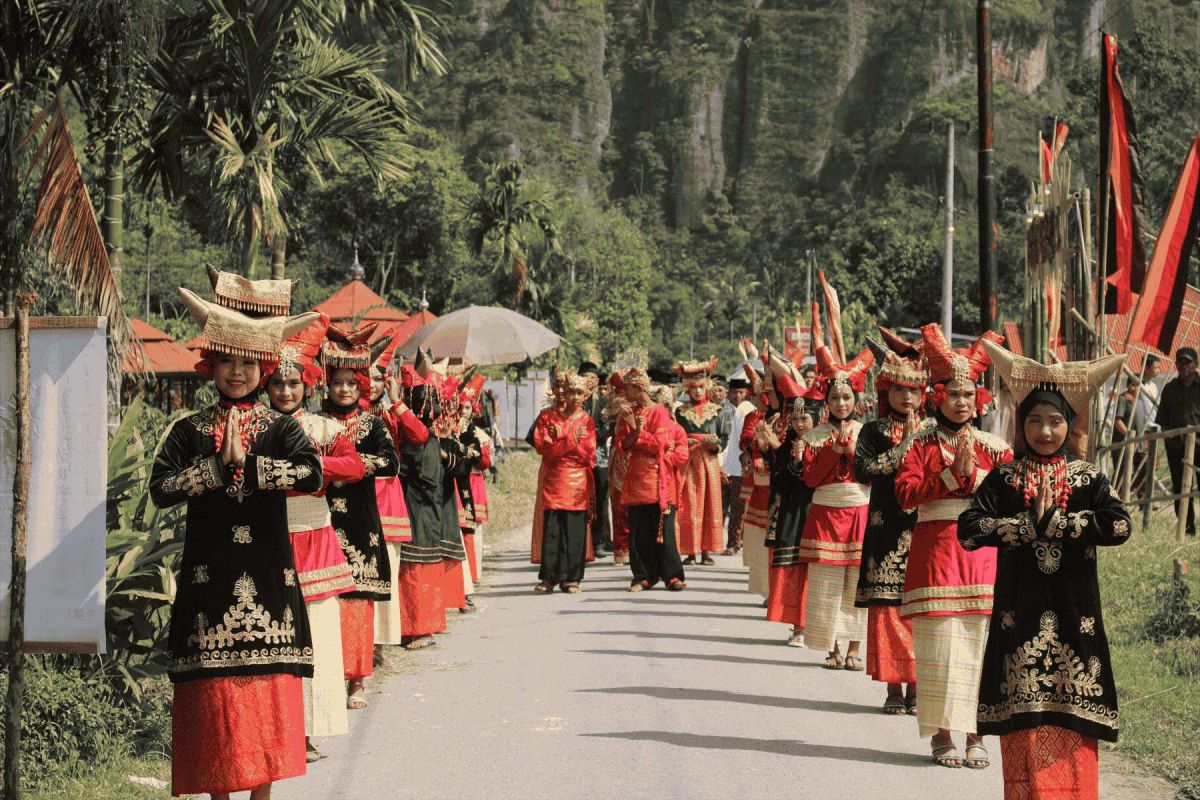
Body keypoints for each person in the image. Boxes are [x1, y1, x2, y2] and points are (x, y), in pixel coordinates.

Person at [152, 287, 322, 799]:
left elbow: (312, 475)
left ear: (265, 368)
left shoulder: (281, 427)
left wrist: (251, 467)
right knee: (214, 696)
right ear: (211, 363)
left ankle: (262, 795)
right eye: (227, 359)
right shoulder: (190, 429)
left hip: (268, 575)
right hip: (209, 575)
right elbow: (161, 488)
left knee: (266, 689)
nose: (237, 372)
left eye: (248, 363)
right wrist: (210, 470)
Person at [960, 342, 1130, 800]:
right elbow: (969, 528)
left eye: (1054, 420)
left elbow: (1119, 524)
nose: (1045, 430)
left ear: (1069, 424)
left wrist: (1061, 523)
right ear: (1021, 424)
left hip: (1075, 612)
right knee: (1025, 712)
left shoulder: (1089, 477)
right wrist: (1017, 526)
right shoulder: (1006, 477)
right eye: (1034, 420)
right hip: (1020, 608)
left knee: (1072, 710)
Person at [894, 324, 1011, 770]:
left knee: (981, 650)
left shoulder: (994, 448)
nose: (962, 401)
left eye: (969, 394)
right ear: (937, 396)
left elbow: (1007, 500)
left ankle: (977, 735)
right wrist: (946, 477)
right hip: (935, 558)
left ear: (978, 399)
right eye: (954, 394)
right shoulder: (919, 443)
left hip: (981, 560)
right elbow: (905, 496)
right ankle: (942, 736)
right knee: (939, 652)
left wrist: (975, 478)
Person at [266, 314, 363, 762]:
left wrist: (314, 471)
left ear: (307, 385)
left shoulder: (325, 428)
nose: (286, 391)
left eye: (293, 383)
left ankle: (308, 731)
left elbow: (356, 466)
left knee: (319, 636)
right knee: (275, 638)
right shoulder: (256, 428)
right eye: (277, 383)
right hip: (267, 541)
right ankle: (277, 731)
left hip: (315, 540)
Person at [319, 324, 400, 709]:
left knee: (358, 601)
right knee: (328, 601)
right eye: (338, 382)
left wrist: (346, 465)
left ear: (362, 385)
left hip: (361, 523)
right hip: (324, 521)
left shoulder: (371, 424)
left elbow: (390, 462)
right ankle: (330, 675)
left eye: (352, 382)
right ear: (327, 384)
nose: (345, 389)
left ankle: (357, 679)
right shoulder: (315, 422)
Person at [855, 330, 928, 714]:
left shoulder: (935, 430)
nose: (907, 398)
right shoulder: (872, 431)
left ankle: (918, 686)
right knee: (887, 607)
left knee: (918, 609)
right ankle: (893, 689)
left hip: (924, 530)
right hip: (886, 529)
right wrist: (903, 447)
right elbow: (863, 471)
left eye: (913, 392)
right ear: (887, 391)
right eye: (899, 390)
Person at [798, 346, 875, 670]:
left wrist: (852, 450)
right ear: (826, 403)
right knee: (826, 583)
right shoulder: (814, 435)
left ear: (855, 401)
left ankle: (855, 648)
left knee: (858, 583)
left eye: (846, 397)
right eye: (835, 399)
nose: (841, 403)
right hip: (826, 513)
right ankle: (833, 647)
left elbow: (872, 475)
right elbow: (810, 477)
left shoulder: (868, 434)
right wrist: (834, 450)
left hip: (858, 510)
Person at [615, 368, 690, 591]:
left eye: (627, 387)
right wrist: (634, 432)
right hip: (636, 478)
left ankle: (672, 576)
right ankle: (643, 576)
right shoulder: (626, 413)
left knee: (663, 531)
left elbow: (659, 444)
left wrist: (639, 432)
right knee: (639, 533)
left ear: (638, 388)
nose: (624, 392)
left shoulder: (658, 412)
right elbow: (623, 446)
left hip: (659, 479)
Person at [394, 361, 447, 651]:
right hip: (424, 505)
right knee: (419, 565)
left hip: (417, 505)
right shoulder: (427, 436)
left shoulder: (420, 437)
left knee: (415, 565)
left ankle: (420, 628)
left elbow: (419, 473)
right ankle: (419, 627)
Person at [532, 370, 597, 592]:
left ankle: (572, 578)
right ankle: (548, 578)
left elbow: (587, 453)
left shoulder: (587, 421)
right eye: (571, 392)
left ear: (585, 396)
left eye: (579, 393)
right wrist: (571, 440)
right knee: (552, 531)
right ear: (564, 394)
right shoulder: (547, 418)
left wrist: (561, 438)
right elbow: (545, 450)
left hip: (577, 482)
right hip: (554, 479)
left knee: (575, 531)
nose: (575, 397)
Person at [766, 394, 818, 646]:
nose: (799, 424)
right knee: (797, 569)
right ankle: (799, 626)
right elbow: (778, 483)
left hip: (819, 512)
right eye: (794, 419)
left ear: (816, 418)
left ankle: (817, 626)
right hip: (794, 513)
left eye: (805, 418)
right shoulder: (786, 447)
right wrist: (795, 462)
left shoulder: (826, 444)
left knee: (816, 570)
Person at [674, 357, 730, 565]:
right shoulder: (680, 412)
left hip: (709, 460)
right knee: (690, 502)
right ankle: (690, 551)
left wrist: (716, 446)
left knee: (710, 502)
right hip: (689, 460)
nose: (697, 392)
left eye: (701, 387)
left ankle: (706, 551)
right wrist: (685, 441)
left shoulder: (718, 411)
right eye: (693, 388)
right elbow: (676, 435)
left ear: (707, 387)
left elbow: (724, 436)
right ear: (687, 389)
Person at [1155, 346, 1200, 536]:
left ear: (1196, 364)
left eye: (1188, 362)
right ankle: (1187, 529)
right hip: (1176, 446)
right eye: (1181, 362)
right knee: (1181, 489)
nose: (1184, 366)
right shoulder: (1169, 388)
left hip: (1199, 444)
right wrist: (1169, 435)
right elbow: (1163, 420)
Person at [580, 361, 613, 555]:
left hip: (598, 455)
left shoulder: (602, 403)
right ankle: (582, 541)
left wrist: (589, 437)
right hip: (577, 456)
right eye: (585, 377)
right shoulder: (572, 401)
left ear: (597, 380)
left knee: (600, 499)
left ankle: (599, 540)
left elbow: (607, 427)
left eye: (592, 378)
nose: (589, 381)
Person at [722, 376, 754, 554]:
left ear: (746, 393)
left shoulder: (748, 409)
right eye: (733, 392)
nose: (737, 395)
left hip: (741, 465)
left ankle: (735, 542)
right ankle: (733, 541)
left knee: (739, 506)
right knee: (731, 505)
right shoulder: (724, 409)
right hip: (727, 463)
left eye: (740, 392)